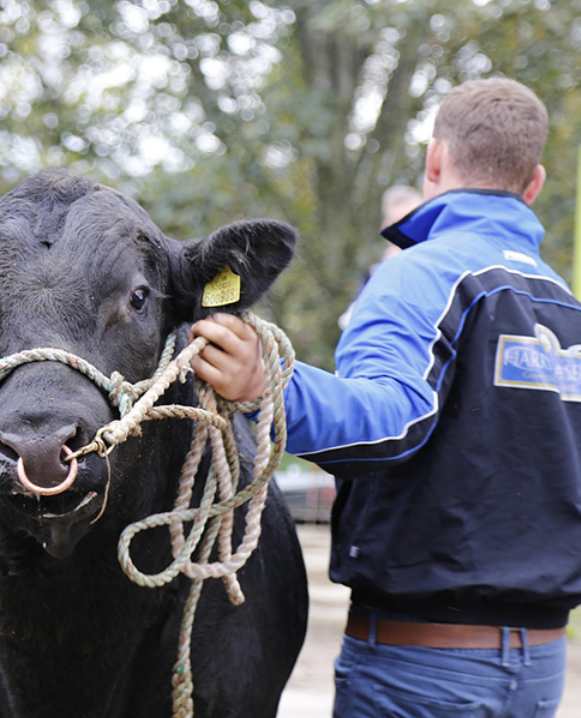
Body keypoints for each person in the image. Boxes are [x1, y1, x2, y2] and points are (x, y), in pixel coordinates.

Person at [192, 77, 581, 717]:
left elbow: (393, 418)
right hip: (540, 669)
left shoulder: (420, 274)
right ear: (533, 182)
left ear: (434, 161)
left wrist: (268, 384)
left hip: (423, 669)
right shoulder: (561, 301)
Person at [338, 184, 424, 329]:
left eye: (414, 222)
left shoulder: (437, 266)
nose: (408, 232)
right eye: (399, 224)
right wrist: (387, 272)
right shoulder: (373, 274)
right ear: (385, 229)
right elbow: (348, 321)